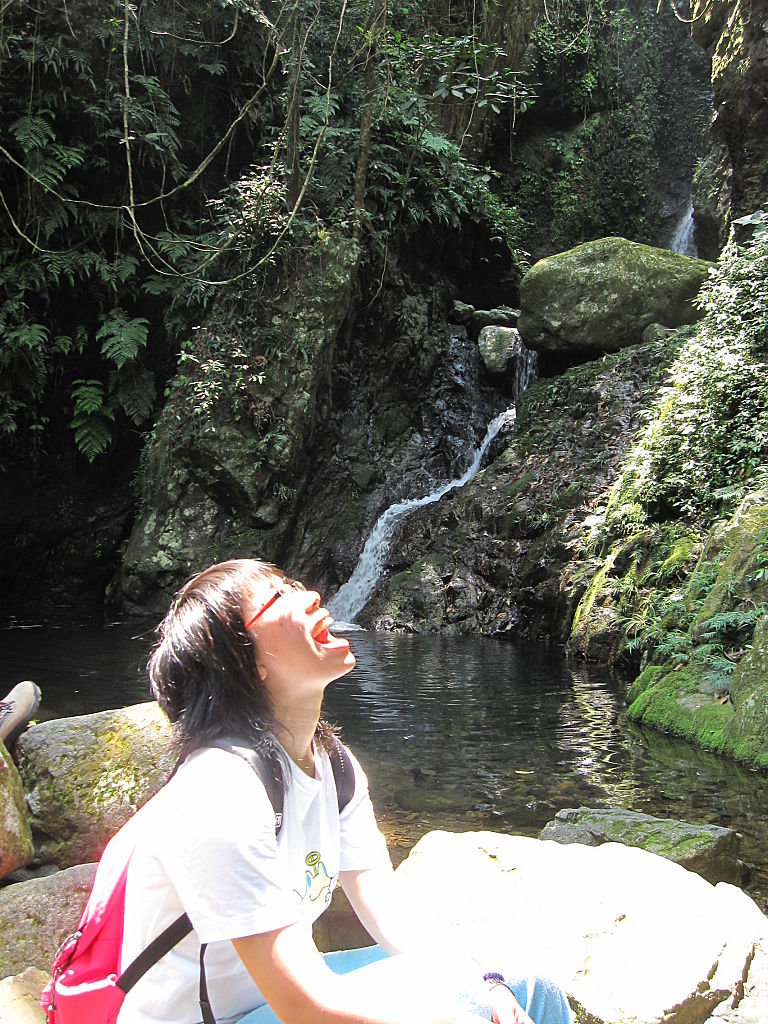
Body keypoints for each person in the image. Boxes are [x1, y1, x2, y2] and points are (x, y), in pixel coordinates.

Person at [103, 558, 572, 1024]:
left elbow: (390, 915)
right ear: (246, 662)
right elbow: (305, 1006)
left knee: (526, 983)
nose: (311, 596)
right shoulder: (219, 790)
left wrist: (485, 981)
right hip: (219, 1018)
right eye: (278, 597)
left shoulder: (333, 766)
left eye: (293, 584)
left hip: (281, 1003)